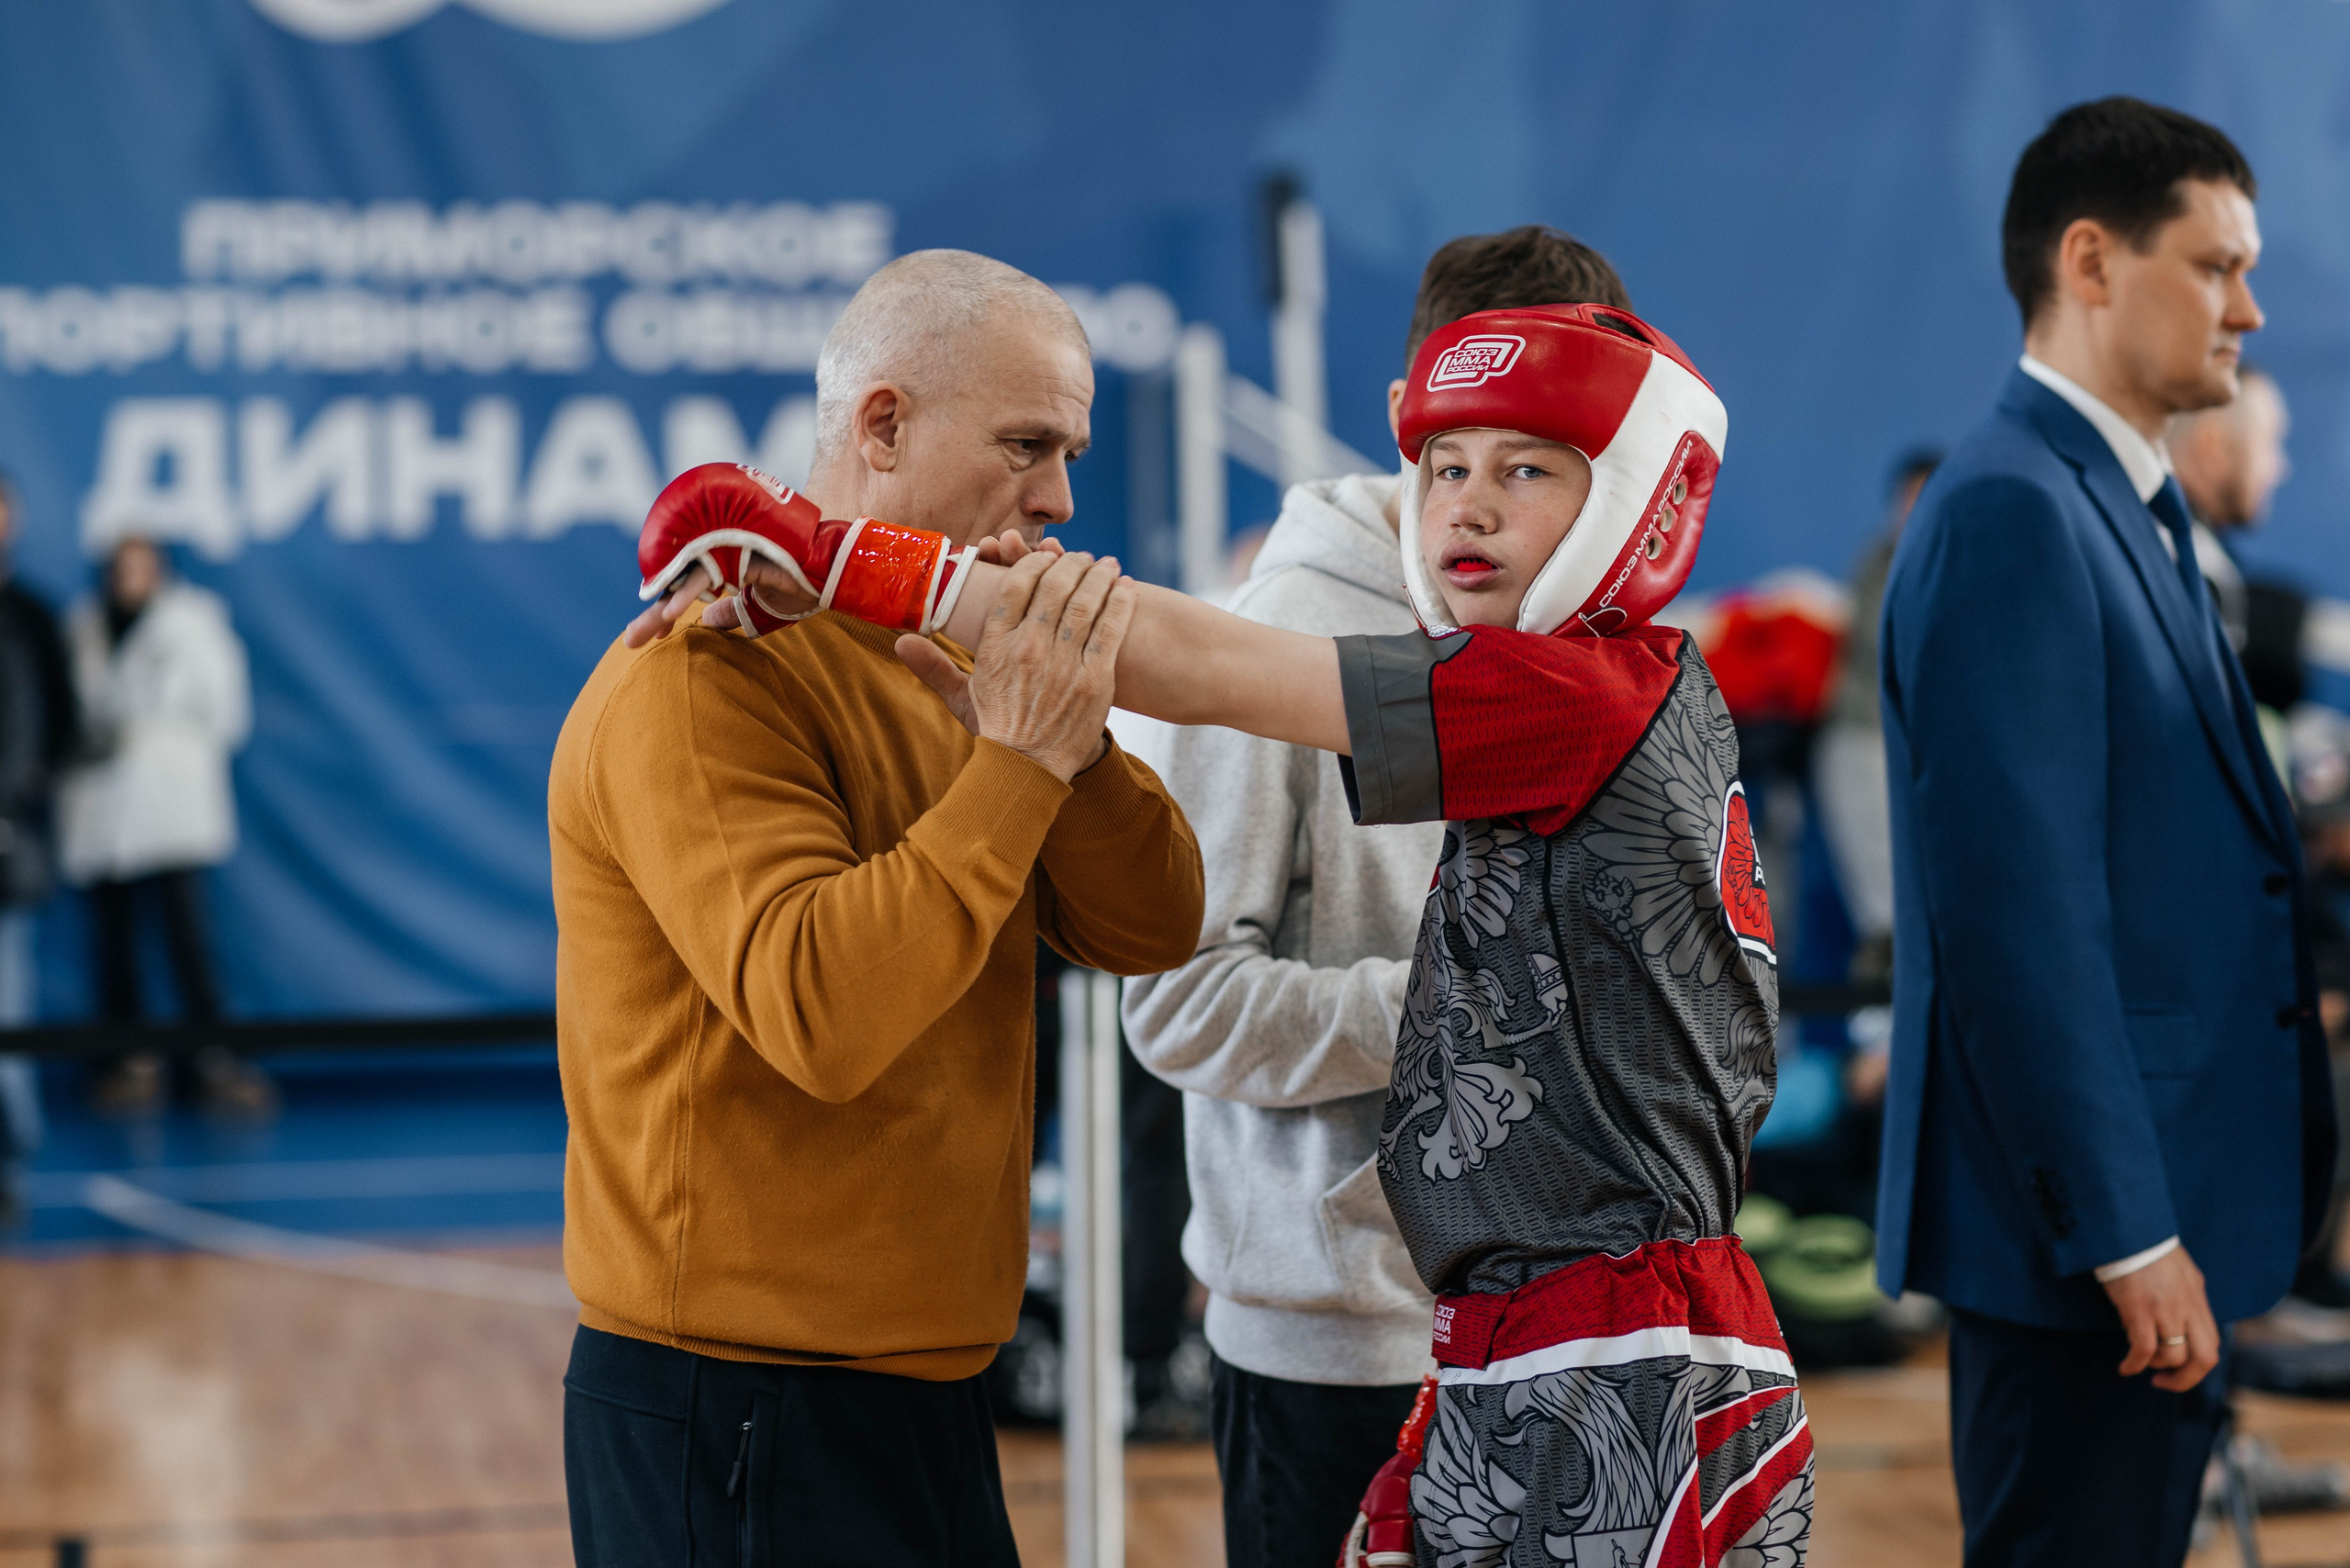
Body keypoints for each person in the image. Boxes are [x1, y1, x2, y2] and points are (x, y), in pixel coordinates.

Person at [640, 294, 1808, 1562]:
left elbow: (1209, 666)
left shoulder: (1573, 694)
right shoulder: (1617, 685)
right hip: (1546, 1320)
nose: (1468, 504)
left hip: (1608, 1336)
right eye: (1446, 466)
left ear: (1640, 495)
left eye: (1527, 469)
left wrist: (842, 557)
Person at [554, 250, 1203, 1568]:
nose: (1061, 496)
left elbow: (1154, 928)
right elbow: (822, 1013)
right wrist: (1018, 763)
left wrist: (1063, 749)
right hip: (735, 1402)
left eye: (1068, 452)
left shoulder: (956, 660)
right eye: (1027, 445)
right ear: (884, 424)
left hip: (926, 1384)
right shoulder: (704, 675)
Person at [1118, 224, 1642, 1568]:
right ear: (1415, 409)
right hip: (1341, 1350)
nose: (1487, 494)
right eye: (1468, 440)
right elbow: (1176, 1006)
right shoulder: (1276, 632)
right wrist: (1460, 1011)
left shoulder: (1613, 658)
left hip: (1582, 1329)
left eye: (1545, 440)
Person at [1874, 97, 2333, 1565]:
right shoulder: (2015, 510)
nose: (2249, 308)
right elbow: (2020, 924)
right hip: (2086, 1253)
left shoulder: (2115, 502)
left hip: (2149, 1227)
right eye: (2214, 266)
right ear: (2090, 259)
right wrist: (2127, 1237)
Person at [57, 535, 263, 1115]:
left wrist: (159, 746)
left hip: (172, 803)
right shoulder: (83, 627)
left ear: (161, 570)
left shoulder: (194, 623)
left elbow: (228, 715)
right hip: (102, 805)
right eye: (122, 568)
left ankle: (212, 1062)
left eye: (142, 567)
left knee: (187, 940)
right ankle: (129, 1063)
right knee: (115, 945)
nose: (132, 578)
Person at [0, 475, 76, 1213]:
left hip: (9, 855)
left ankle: (9, 1163)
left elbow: (57, 731)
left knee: (7, 1015)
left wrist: (19, 798)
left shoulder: (31, 619)